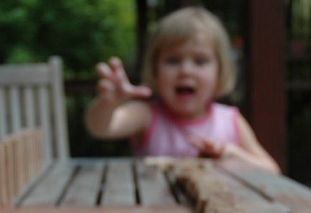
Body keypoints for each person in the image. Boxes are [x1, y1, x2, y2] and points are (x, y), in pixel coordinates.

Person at [85, 7, 281, 174]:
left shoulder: (231, 121)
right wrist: (108, 104)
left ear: (220, 70)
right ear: (155, 70)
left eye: (200, 61)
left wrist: (232, 153)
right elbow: (101, 128)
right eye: (173, 60)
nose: (186, 70)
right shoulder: (147, 116)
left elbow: (272, 171)